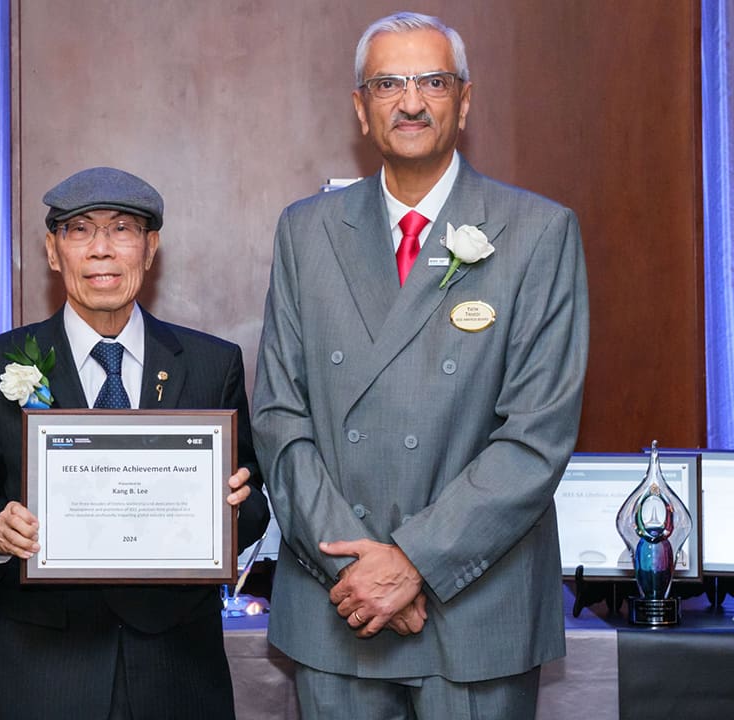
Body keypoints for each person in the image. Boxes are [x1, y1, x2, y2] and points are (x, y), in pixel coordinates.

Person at [252, 12, 588, 719]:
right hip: (336, 607)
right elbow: (280, 418)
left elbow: (536, 436)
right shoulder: (305, 233)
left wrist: (413, 565)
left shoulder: (537, 233)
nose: (410, 102)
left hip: (475, 610)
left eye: (432, 81)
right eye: (388, 83)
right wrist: (358, 572)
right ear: (360, 108)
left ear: (464, 102)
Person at [0, 166, 270, 719]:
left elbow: (252, 511)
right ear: (53, 251)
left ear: (150, 249)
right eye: (80, 230)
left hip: (177, 668)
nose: (102, 250)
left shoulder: (211, 364)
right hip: (47, 669)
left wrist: (233, 507)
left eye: (123, 229)